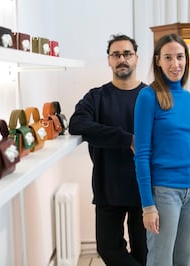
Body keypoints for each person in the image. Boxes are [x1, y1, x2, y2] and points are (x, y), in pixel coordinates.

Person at [69, 34, 147, 266]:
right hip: (108, 186)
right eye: (116, 54)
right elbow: (77, 124)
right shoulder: (96, 97)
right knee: (108, 248)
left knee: (144, 253)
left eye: (127, 54)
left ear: (136, 58)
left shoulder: (150, 96)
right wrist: (127, 139)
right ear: (109, 60)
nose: (122, 59)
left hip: (144, 188)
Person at [134, 33, 190, 266]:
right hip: (165, 192)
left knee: (184, 261)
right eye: (168, 57)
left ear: (186, 60)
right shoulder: (148, 97)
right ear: (158, 61)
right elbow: (141, 154)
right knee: (161, 261)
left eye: (179, 57)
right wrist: (148, 206)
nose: (175, 64)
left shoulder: (187, 98)